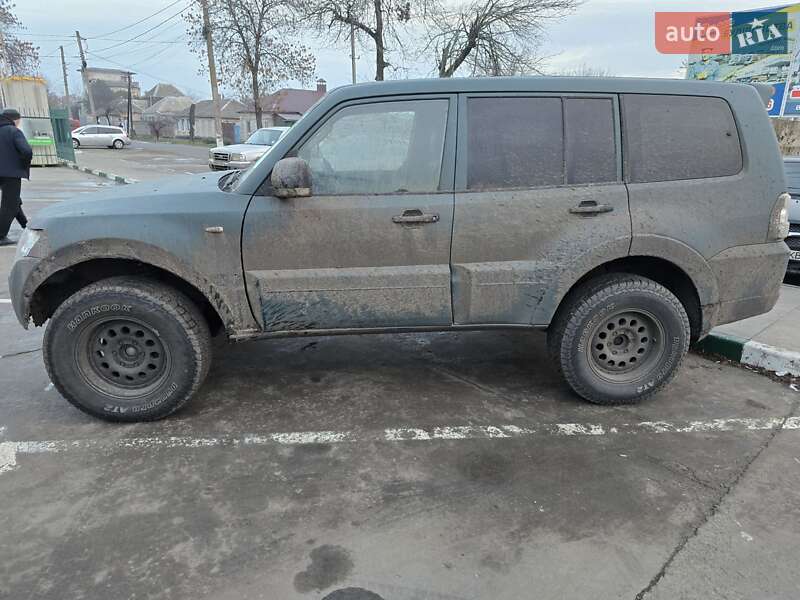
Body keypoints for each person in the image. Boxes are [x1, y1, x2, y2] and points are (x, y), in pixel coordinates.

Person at [0, 107, 31, 246]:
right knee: (10, 204)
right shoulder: (14, 131)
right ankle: (1, 235)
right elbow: (26, 151)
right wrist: (23, 164)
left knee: (13, 200)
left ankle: (26, 224)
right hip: (11, 174)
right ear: (15, 119)